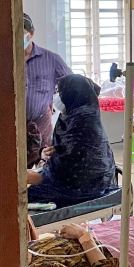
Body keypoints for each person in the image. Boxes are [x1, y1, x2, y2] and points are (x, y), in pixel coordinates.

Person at [27, 74, 116, 208]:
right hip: (100, 181)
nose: (56, 97)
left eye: (59, 92)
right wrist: (50, 152)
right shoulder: (85, 115)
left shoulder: (79, 121)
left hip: (81, 188)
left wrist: (41, 177)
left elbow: (74, 169)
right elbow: (73, 152)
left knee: (24, 194)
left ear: (71, 94)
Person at [24, 13, 72, 167]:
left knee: (43, 171)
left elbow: (72, 84)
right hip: (12, 127)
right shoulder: (4, 59)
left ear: (31, 33)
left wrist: (57, 102)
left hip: (41, 125)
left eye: (21, 35)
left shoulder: (50, 59)